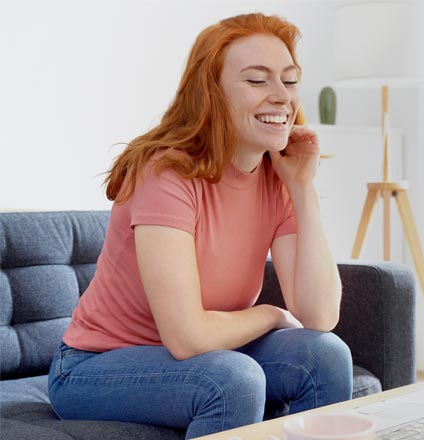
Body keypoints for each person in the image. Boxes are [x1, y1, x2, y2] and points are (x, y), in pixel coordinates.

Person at [47, 12, 353, 439]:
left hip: (205, 355)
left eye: (289, 79)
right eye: (257, 80)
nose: (282, 96)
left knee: (325, 355)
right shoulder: (167, 174)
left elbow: (319, 314)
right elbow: (188, 338)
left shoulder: (276, 178)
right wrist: (269, 313)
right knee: (231, 380)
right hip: (94, 367)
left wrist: (303, 189)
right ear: (212, 93)